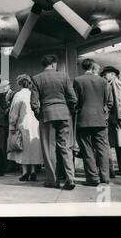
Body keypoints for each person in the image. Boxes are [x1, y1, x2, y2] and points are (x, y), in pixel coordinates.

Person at [31, 54, 77, 190]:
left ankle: (53, 180)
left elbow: (34, 102)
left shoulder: (36, 78)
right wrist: (69, 111)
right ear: (53, 64)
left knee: (49, 149)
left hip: (47, 115)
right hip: (64, 114)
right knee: (66, 147)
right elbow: (73, 98)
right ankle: (70, 179)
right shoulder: (64, 76)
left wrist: (39, 114)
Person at [74, 59, 113, 186]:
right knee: (102, 149)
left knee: (87, 149)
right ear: (93, 67)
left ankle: (92, 178)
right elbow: (107, 100)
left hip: (84, 119)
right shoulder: (103, 81)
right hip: (100, 119)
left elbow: (75, 101)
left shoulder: (78, 80)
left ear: (83, 67)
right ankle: (105, 177)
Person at [8, 74, 43, 181]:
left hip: (22, 124)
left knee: (22, 148)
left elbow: (14, 112)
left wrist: (12, 125)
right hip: (35, 123)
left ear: (19, 84)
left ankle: (24, 172)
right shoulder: (35, 94)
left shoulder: (18, 95)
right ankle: (33, 171)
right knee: (33, 148)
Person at [101, 66, 121, 176]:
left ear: (113, 74)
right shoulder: (113, 83)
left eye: (106, 74)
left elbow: (120, 102)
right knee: (120, 143)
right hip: (118, 117)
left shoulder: (115, 83)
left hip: (120, 117)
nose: (104, 76)